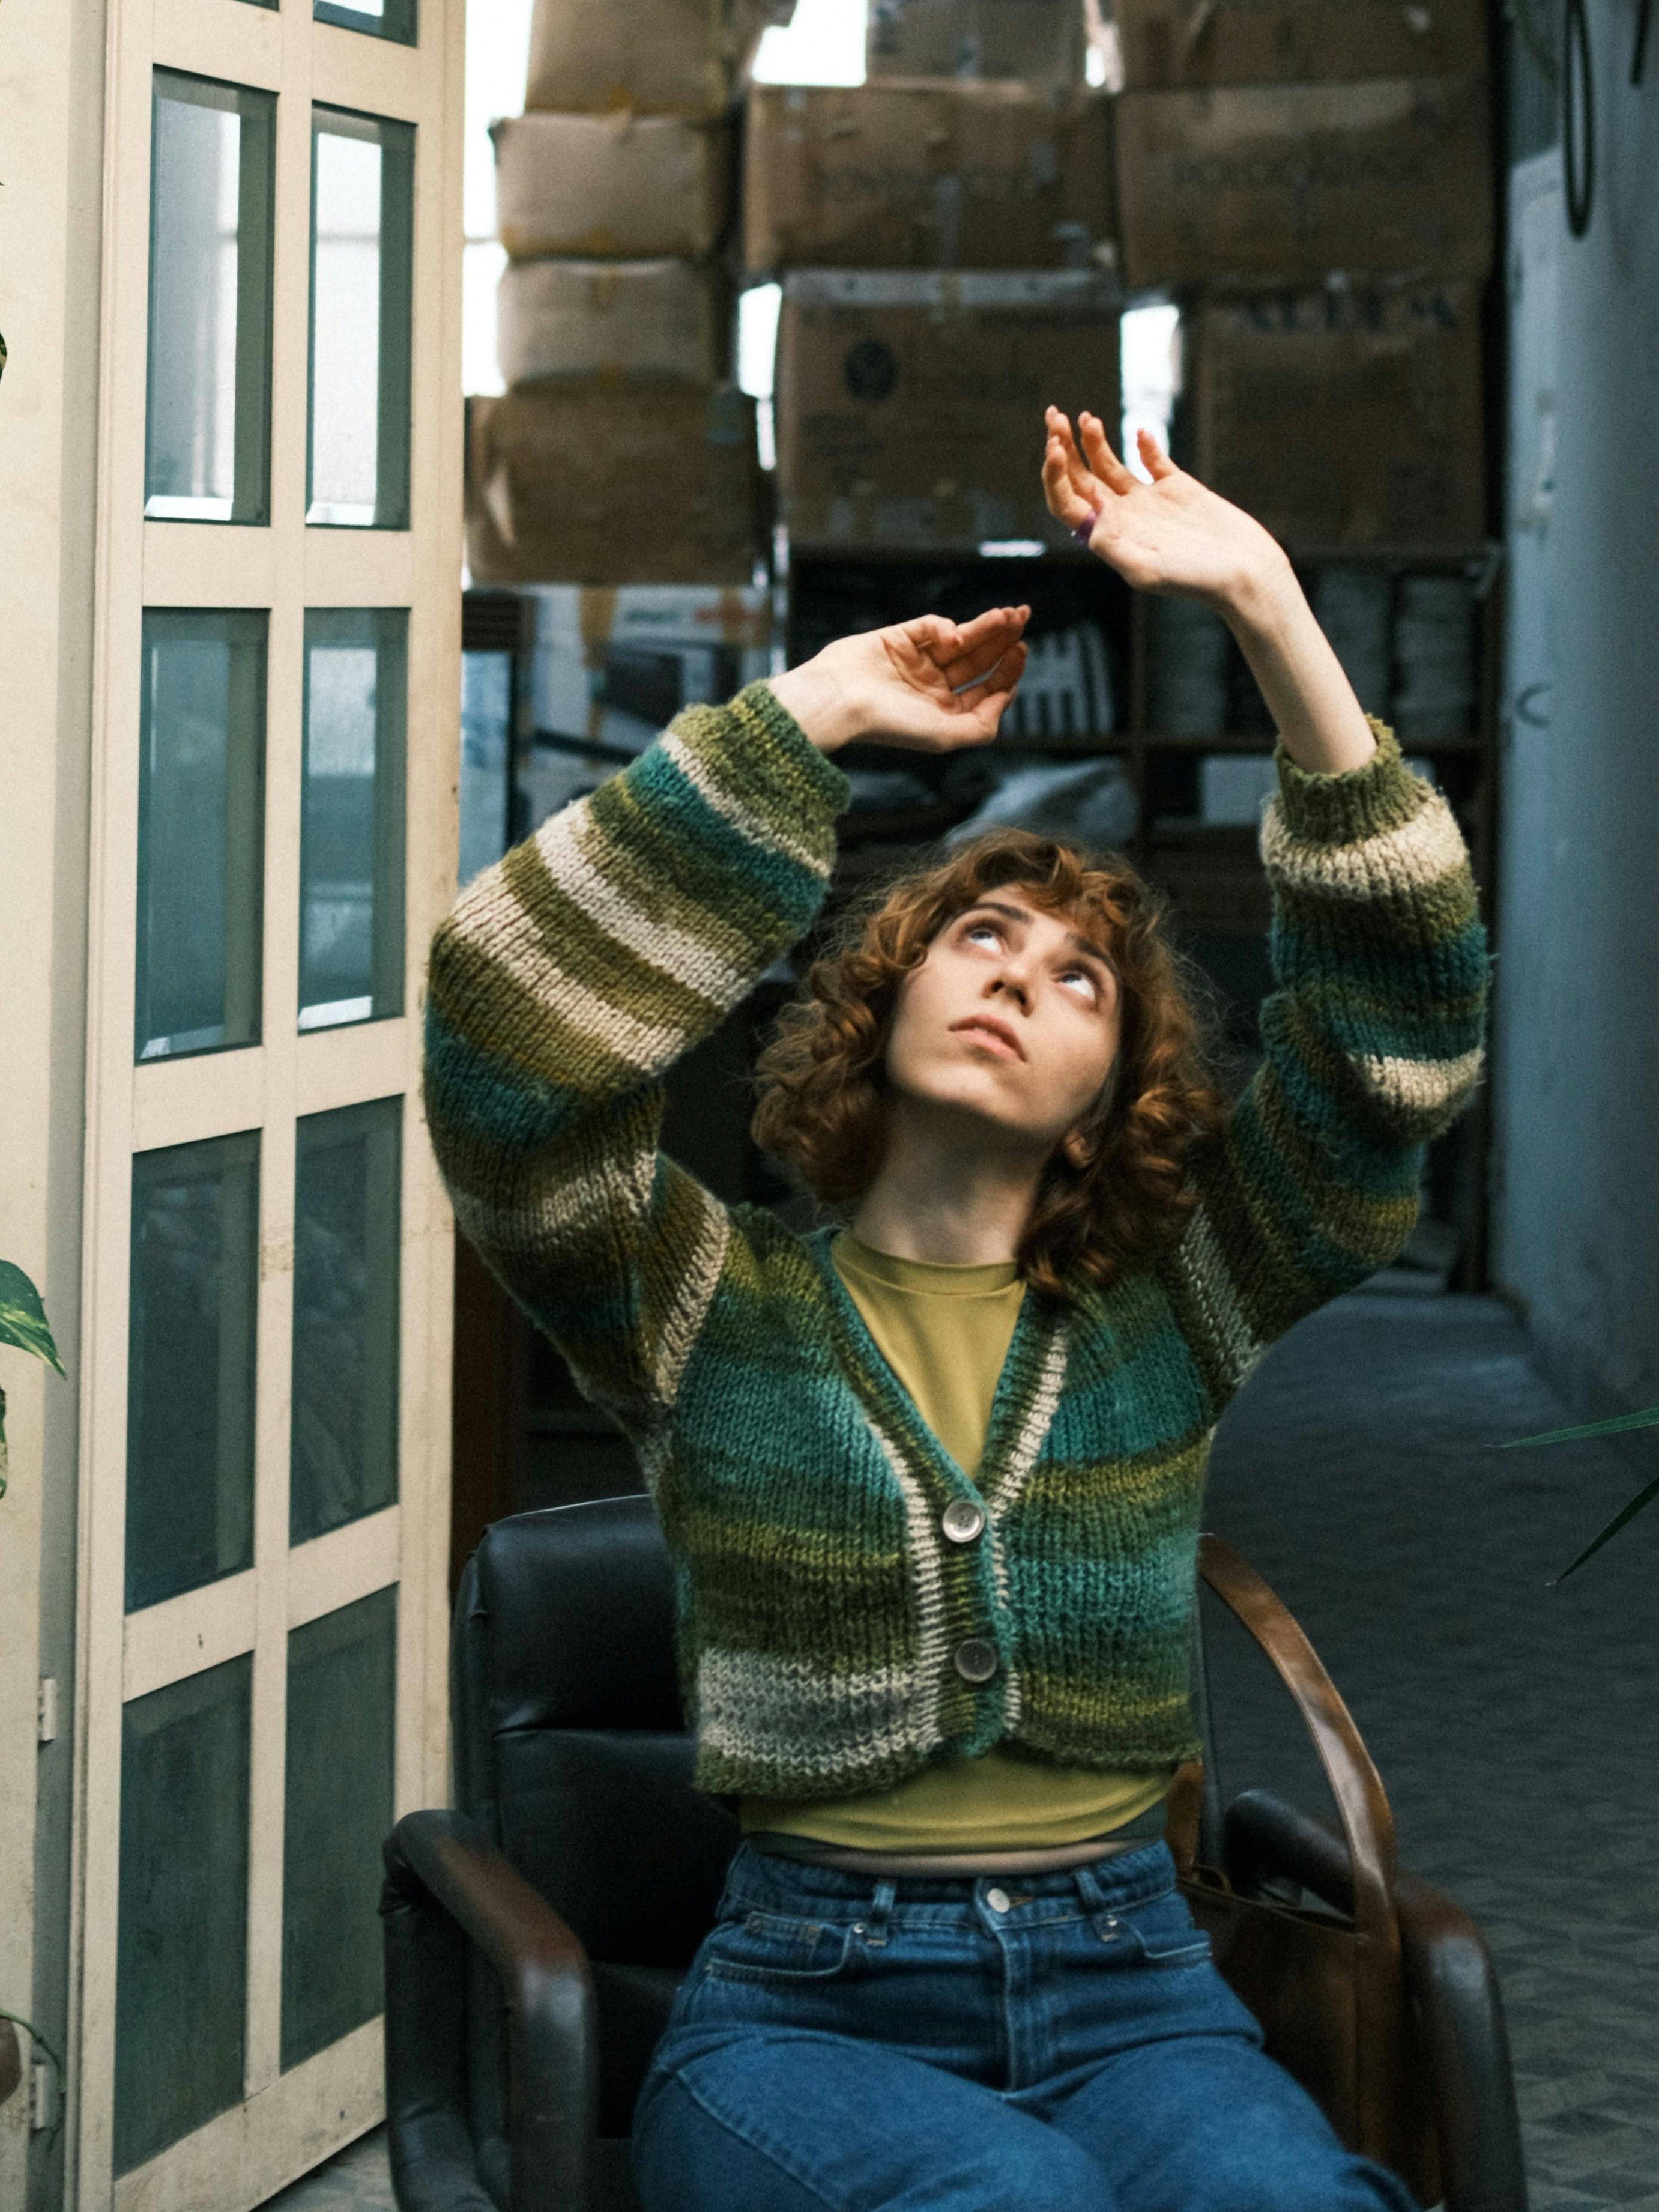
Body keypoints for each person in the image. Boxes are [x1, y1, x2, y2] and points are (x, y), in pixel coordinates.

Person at [425, 406, 1490, 2212]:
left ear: (1112, 1092)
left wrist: (1269, 608)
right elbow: (503, 1029)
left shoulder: (1179, 1308)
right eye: (978, 936)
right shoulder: (699, 1305)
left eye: (1083, 977)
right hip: (802, 2019)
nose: (1021, 972)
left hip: (1142, 1995)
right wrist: (811, 715)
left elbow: (1397, 1054)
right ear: (882, 996)